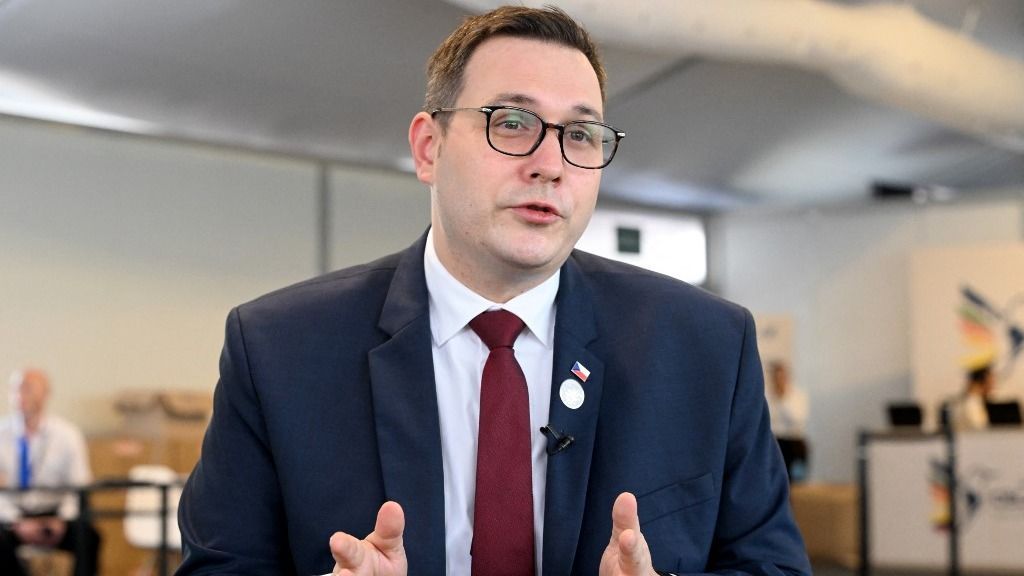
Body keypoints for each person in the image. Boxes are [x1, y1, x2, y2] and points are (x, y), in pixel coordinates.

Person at [177, 6, 809, 575]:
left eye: (581, 135)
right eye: (512, 123)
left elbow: (770, 565)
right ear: (429, 148)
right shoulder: (280, 349)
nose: (550, 163)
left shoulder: (705, 348)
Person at [0, 368, 100, 576]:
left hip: (54, 514)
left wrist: (61, 521)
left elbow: (78, 486)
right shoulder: (2, 434)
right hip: (13, 516)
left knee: (88, 536)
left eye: (28, 388)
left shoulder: (67, 435)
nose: (21, 395)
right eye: (16, 389)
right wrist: (17, 522)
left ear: (45, 394)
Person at [765, 362, 810, 483]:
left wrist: (782, 399)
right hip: (775, 442)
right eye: (776, 378)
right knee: (773, 479)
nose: (778, 381)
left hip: (793, 442)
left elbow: (798, 419)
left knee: (796, 480)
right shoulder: (766, 396)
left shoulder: (798, 395)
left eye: (781, 377)